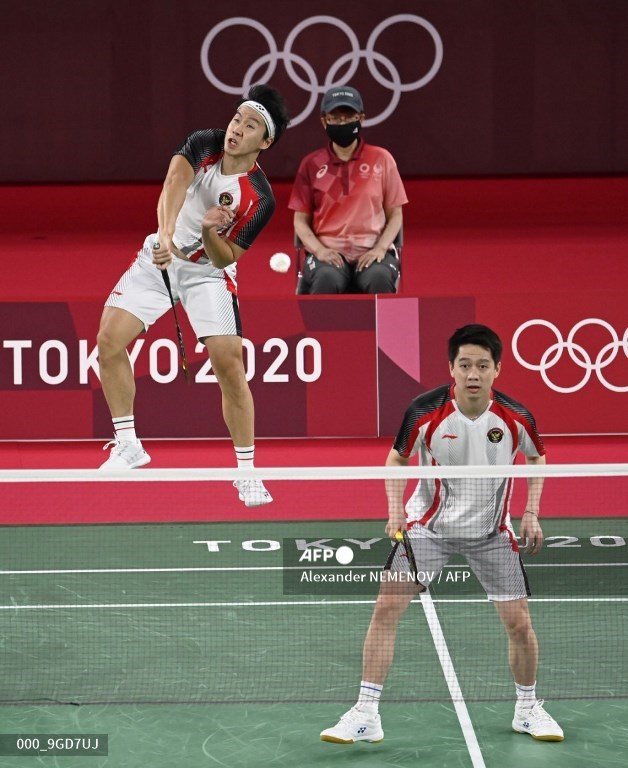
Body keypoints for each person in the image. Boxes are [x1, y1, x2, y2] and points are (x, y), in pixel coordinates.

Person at [320, 324, 564, 744]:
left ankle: (527, 709)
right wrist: (395, 509)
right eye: (465, 365)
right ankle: (365, 713)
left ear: (497, 369)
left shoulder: (516, 416)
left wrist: (531, 511)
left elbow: (537, 456)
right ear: (451, 367)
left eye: (482, 366)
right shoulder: (425, 410)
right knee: (386, 609)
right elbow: (397, 460)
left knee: (519, 624)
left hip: (491, 532)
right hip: (428, 529)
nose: (473, 374)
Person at [96, 83, 290, 507]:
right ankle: (128, 444)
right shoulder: (205, 144)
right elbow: (173, 183)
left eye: (250, 125)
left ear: (265, 141)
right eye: (237, 118)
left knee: (229, 364)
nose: (236, 128)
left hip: (207, 274)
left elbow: (226, 258)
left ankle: (247, 474)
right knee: (108, 342)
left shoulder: (260, 198)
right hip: (159, 258)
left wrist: (207, 230)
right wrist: (165, 237)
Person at [288, 85, 407, 294]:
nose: (342, 123)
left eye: (349, 116)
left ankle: (389, 320)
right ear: (324, 121)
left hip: (373, 250)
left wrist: (380, 248)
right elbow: (300, 220)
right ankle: (320, 319)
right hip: (328, 253)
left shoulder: (381, 159)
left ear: (361, 118)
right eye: (335, 118)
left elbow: (395, 215)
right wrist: (320, 250)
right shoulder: (312, 164)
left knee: (379, 277)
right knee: (326, 278)